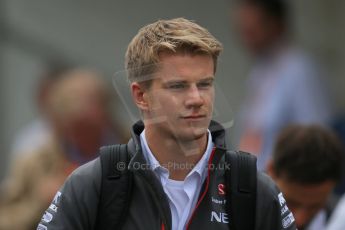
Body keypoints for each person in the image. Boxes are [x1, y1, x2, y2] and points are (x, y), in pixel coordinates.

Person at [38, 18, 296, 230]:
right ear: (141, 96)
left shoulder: (252, 188)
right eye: (178, 86)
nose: (196, 99)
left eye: (205, 84)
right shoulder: (93, 184)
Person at [0, 69, 127, 230]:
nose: (84, 138)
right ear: (59, 124)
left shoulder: (138, 149)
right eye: (76, 128)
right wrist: (41, 203)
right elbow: (5, 220)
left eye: (91, 128)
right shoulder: (35, 162)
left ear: (107, 116)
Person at [234, 0, 331, 171]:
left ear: (275, 25)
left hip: (286, 186)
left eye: (252, 30)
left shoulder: (300, 71)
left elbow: (316, 142)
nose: (246, 38)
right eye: (243, 30)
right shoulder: (260, 71)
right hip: (255, 184)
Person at [266, 125, 344, 230]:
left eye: (314, 207)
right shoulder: (240, 214)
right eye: (288, 203)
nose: (299, 220)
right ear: (271, 171)